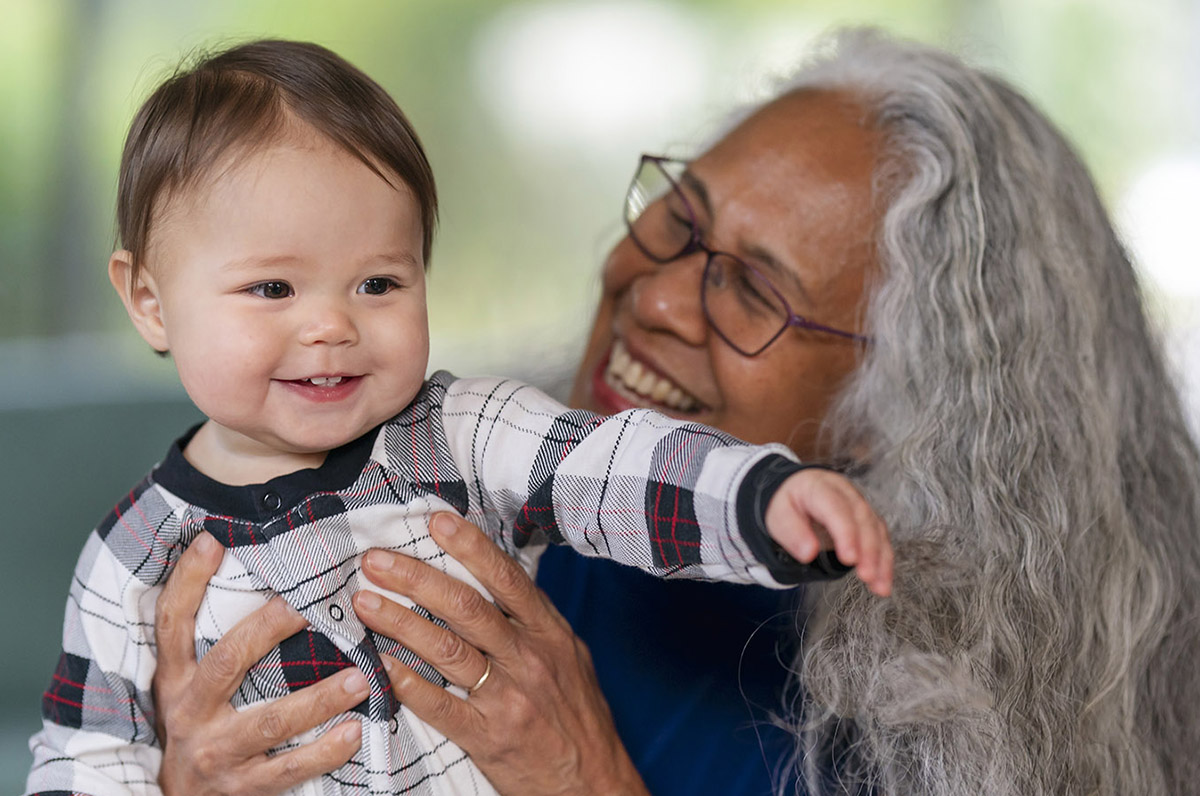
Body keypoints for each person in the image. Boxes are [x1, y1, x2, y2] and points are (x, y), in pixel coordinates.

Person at [150, 28, 1200, 796]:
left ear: (900, 411)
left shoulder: (948, 741)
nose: (654, 294)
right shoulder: (498, 490)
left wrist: (583, 777)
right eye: (676, 220)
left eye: (753, 289)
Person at [24, 38, 895, 796]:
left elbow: (619, 467)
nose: (332, 325)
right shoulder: (133, 558)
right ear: (150, 301)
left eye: (379, 283)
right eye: (272, 288)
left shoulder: (465, 435)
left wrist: (762, 498)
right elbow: (87, 756)